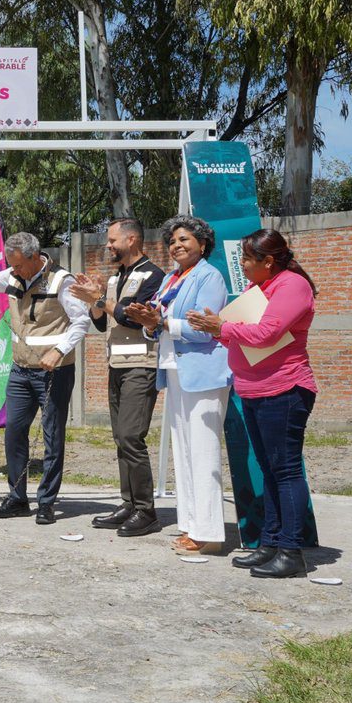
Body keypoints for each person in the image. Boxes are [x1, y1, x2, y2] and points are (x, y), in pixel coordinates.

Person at [187, 229, 319, 578]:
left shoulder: (292, 286)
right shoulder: (257, 288)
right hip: (254, 388)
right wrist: (213, 327)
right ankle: (270, 543)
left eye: (247, 259)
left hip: (284, 390)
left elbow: (267, 334)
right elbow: (239, 330)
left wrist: (222, 326)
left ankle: (291, 551)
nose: (242, 265)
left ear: (268, 261)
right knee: (269, 468)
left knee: (286, 469)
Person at [0, 231, 90, 525]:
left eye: (19, 265)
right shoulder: (13, 275)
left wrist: (59, 350)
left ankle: (47, 502)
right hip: (20, 370)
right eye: (11, 265)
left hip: (55, 372)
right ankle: (17, 498)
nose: (14, 271)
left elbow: (82, 320)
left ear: (35, 257)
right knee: (14, 432)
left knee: (52, 437)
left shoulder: (62, 281)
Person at [125, 214, 232, 551]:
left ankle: (210, 534)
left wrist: (164, 323)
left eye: (184, 239)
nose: (177, 246)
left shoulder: (210, 276)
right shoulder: (172, 277)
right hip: (174, 369)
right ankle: (189, 525)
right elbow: (157, 320)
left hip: (203, 373)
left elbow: (204, 328)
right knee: (183, 453)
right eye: (172, 241)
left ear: (202, 244)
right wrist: (148, 322)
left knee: (202, 454)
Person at [69, 218, 166, 536]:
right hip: (117, 365)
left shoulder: (153, 275)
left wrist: (101, 301)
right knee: (120, 439)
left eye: (113, 240)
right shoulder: (115, 279)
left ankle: (146, 511)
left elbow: (133, 318)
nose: (108, 245)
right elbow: (103, 322)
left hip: (142, 365)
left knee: (130, 437)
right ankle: (129, 504)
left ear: (133, 239)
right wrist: (93, 302)